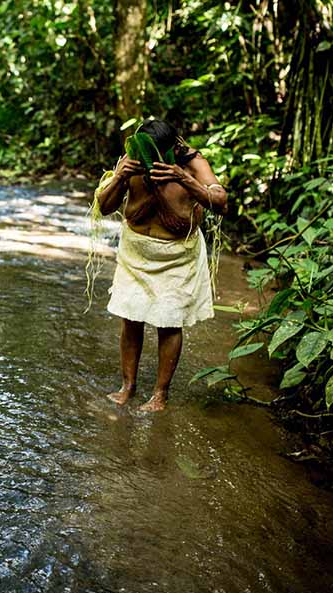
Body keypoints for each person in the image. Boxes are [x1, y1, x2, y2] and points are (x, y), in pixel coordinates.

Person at [94, 118, 227, 412]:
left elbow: (221, 202)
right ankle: (127, 386)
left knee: (169, 323)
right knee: (130, 318)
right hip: (136, 254)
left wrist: (183, 179)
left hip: (178, 256)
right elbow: (104, 207)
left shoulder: (192, 163)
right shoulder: (132, 160)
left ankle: (160, 395)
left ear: (172, 149)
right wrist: (118, 177)